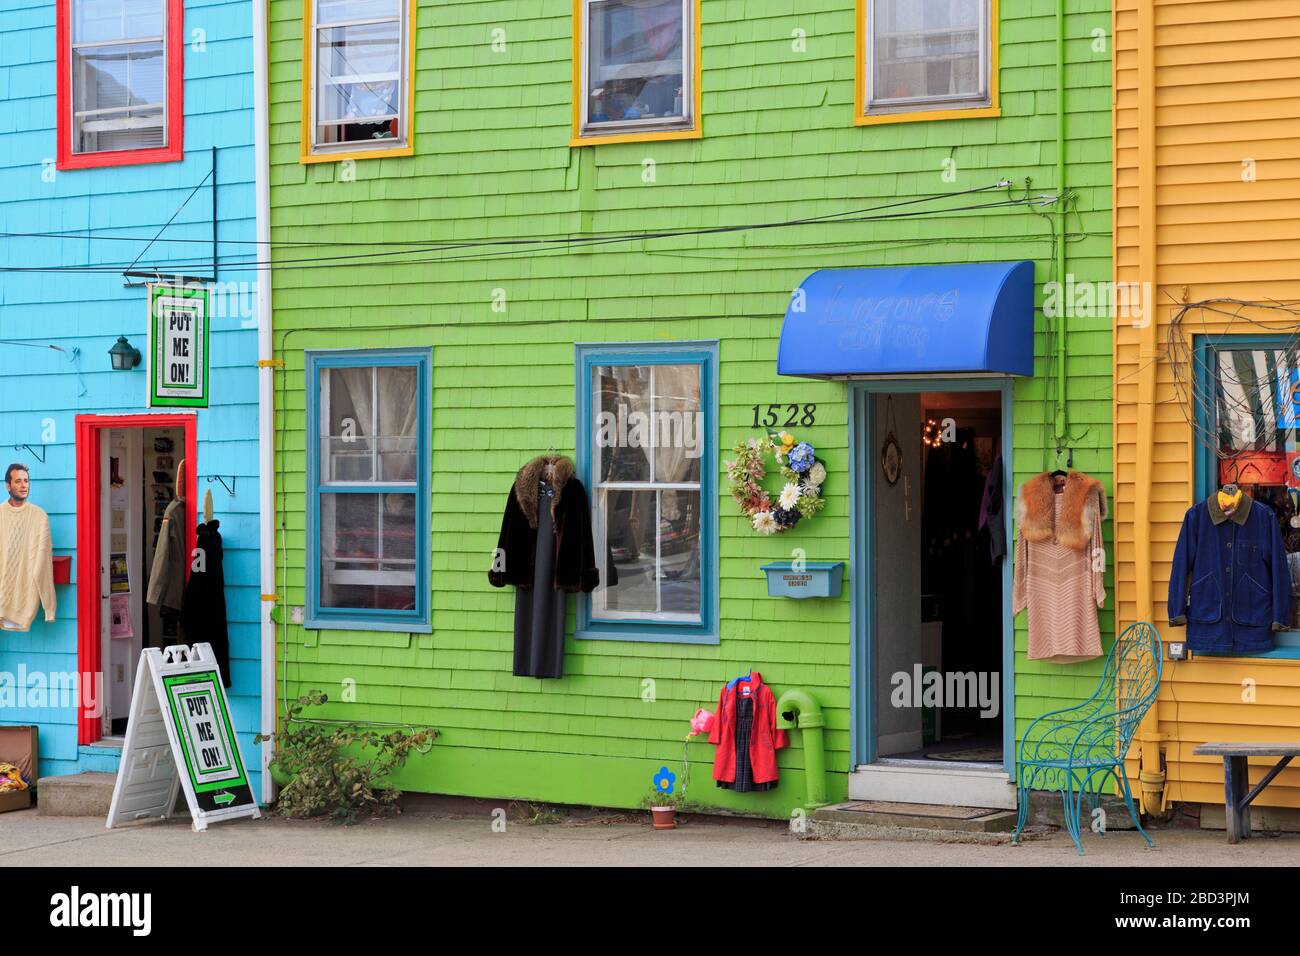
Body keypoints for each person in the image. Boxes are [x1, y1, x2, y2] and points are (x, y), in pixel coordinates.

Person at [0, 463, 57, 632]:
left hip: (23, 608)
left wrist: (49, 608)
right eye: (18, 481)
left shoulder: (39, 517)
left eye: (26, 480)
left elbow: (43, 565)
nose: (24, 485)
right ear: (8, 486)